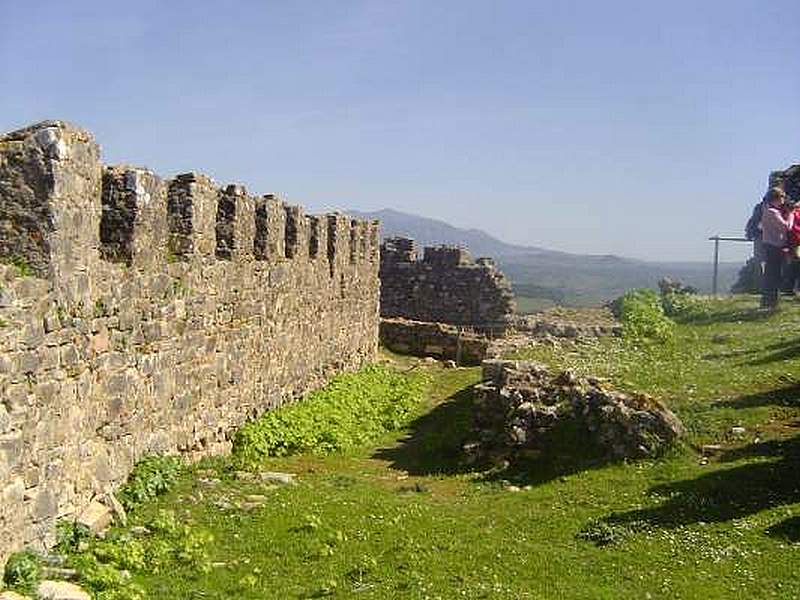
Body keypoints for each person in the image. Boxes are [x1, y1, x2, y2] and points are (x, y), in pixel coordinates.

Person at [760, 187, 792, 309]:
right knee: (773, 274)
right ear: (777, 198)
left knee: (772, 273)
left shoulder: (767, 210)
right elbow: (785, 227)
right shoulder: (772, 212)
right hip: (774, 246)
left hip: (770, 245)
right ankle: (770, 301)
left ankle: (769, 301)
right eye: (782, 197)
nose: (783, 201)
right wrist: (790, 215)